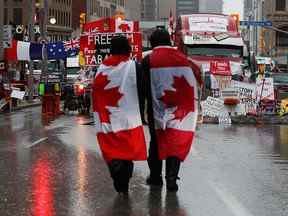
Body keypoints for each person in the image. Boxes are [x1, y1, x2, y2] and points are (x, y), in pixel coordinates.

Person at [143, 29, 202, 192]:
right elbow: (197, 81)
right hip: (181, 109)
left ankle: (155, 177)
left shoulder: (148, 60)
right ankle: (171, 178)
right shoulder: (185, 60)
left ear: (153, 43)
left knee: (156, 142)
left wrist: (142, 109)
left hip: (157, 108)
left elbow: (143, 87)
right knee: (174, 142)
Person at [92, 35, 147, 195]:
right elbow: (142, 89)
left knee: (112, 149)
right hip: (129, 117)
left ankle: (116, 169)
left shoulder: (101, 68)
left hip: (107, 116)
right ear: (128, 49)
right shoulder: (134, 66)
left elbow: (96, 93)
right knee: (127, 151)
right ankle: (124, 179)